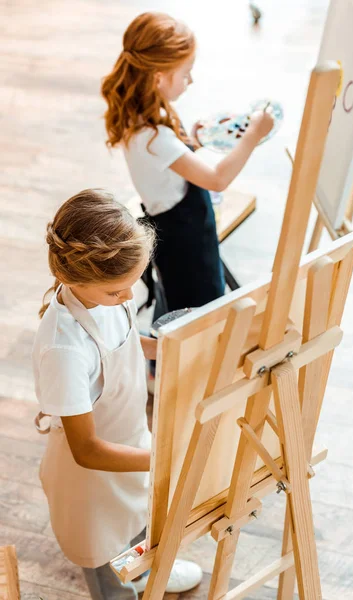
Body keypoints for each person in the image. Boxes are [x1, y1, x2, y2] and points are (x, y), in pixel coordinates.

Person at [32, 189, 203, 599]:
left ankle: (143, 573)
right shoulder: (64, 348)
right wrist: (166, 460)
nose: (128, 298)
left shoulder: (105, 298)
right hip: (91, 480)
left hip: (130, 443)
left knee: (140, 520)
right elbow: (87, 450)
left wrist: (159, 348)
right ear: (73, 277)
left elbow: (122, 340)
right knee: (108, 556)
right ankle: (124, 588)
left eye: (131, 286)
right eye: (117, 292)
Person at [101, 11, 274, 314]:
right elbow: (217, 179)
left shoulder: (139, 118)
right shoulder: (153, 137)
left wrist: (192, 142)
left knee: (179, 307)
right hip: (186, 245)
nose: (190, 80)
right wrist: (253, 136)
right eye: (185, 73)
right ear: (158, 77)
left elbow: (166, 163)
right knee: (196, 316)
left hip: (177, 236)